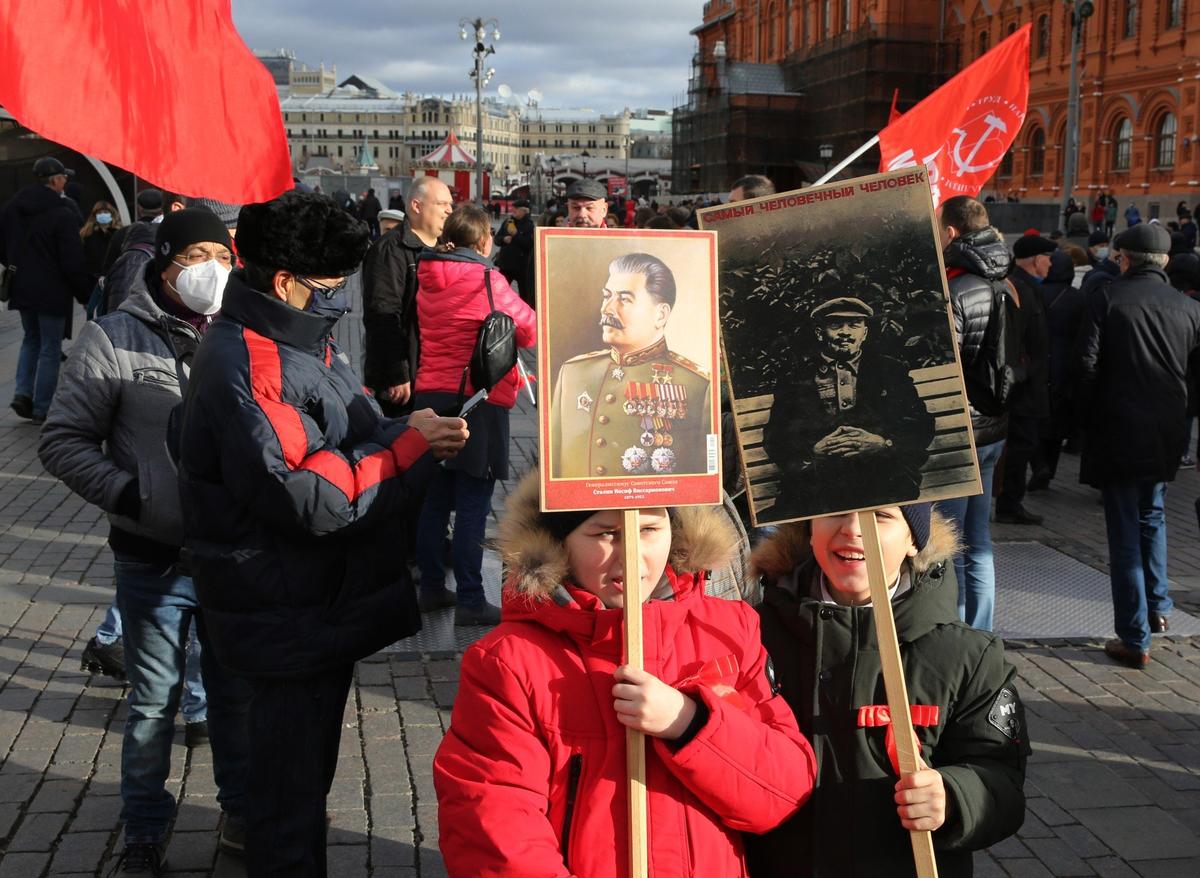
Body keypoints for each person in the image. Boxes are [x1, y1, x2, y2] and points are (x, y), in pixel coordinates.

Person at [175, 191, 468, 874]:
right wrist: (409, 447)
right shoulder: (255, 360)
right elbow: (311, 495)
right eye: (332, 287)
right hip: (284, 612)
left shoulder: (296, 338)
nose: (340, 300)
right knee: (287, 808)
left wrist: (407, 432)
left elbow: (347, 434)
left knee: (299, 790)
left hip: (307, 606)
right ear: (285, 282)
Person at [433, 472, 816, 877]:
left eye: (649, 528)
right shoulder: (510, 662)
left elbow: (782, 792)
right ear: (559, 543)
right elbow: (494, 826)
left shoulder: (729, 630)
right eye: (605, 533)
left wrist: (690, 723)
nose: (631, 554)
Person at [39, 209, 251, 874]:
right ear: (163, 262)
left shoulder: (244, 335)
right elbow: (62, 440)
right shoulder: (113, 337)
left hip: (231, 556)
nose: (210, 268)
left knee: (235, 698)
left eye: (222, 252)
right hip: (151, 556)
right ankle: (143, 828)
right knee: (154, 702)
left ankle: (241, 817)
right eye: (195, 255)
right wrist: (132, 496)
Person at [746, 503, 1028, 876]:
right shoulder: (751, 637)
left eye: (881, 515)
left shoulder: (968, 656)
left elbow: (1002, 779)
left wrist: (954, 796)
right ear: (810, 527)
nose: (852, 529)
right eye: (833, 511)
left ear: (915, 538)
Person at [1074, 222, 1200, 668]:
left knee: (1125, 531)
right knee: (1153, 517)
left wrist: (1083, 421)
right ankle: (1160, 609)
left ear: (1125, 258)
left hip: (1117, 429)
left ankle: (1134, 634)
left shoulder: (1107, 298)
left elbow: (1086, 366)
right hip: (1166, 431)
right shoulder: (1187, 308)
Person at [412, 203, 536, 625]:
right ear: (483, 239)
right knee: (472, 502)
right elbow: (529, 328)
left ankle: (430, 587)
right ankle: (469, 599)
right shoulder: (487, 278)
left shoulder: (426, 274)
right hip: (476, 399)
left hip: (430, 394)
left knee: (433, 500)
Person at [764, 296, 934, 519]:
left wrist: (884, 444)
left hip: (881, 481)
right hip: (816, 487)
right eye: (836, 325)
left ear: (864, 333)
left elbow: (921, 425)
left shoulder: (889, 370)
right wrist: (812, 453)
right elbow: (775, 438)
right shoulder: (795, 379)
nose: (846, 332)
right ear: (819, 332)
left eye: (854, 325)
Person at [550, 251, 711, 479]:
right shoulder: (573, 373)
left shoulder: (697, 385)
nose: (607, 309)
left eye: (624, 299)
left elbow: (700, 477)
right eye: (607, 296)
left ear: (660, 315)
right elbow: (554, 468)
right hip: (580, 515)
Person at [935, 196, 1011, 631]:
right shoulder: (1008, 282)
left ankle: (956, 635)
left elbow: (944, 365)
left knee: (951, 541)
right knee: (978, 541)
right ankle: (980, 633)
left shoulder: (959, 287)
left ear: (950, 233)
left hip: (960, 431)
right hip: (994, 426)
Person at [1, 156, 92, 424]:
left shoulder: (11, 208)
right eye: (64, 177)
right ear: (54, 180)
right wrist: (86, 295)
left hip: (22, 287)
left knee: (31, 339)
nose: (66, 181)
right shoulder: (63, 213)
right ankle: (42, 407)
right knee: (50, 348)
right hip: (52, 290)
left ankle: (22, 393)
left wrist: (16, 263)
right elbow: (72, 261)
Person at [362, 176, 453, 416]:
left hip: (440, 375)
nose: (449, 211)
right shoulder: (390, 250)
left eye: (450, 205)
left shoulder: (448, 248)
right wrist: (396, 373)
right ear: (416, 206)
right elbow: (382, 314)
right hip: (406, 377)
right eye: (442, 204)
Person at [995, 235, 1052, 525]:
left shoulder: (1026, 288)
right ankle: (1009, 503)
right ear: (1033, 259)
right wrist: (1022, 371)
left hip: (1027, 382)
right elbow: (1017, 339)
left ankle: (1010, 500)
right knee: (1020, 445)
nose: (1051, 263)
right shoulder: (1019, 290)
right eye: (1047, 257)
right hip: (1023, 386)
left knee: (1023, 444)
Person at [1029, 249, 1087, 491]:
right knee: (1056, 423)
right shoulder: (1079, 298)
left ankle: (1038, 464)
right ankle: (1048, 471)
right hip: (1066, 366)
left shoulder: (1037, 293)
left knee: (1033, 421)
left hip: (1038, 363)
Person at [494, 198, 535, 305]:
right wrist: (503, 239)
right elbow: (497, 239)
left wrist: (516, 235)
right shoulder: (508, 222)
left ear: (524, 211)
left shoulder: (530, 226)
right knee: (498, 292)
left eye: (516, 209)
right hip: (505, 265)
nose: (513, 211)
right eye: (514, 208)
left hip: (522, 267)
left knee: (525, 296)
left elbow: (529, 245)